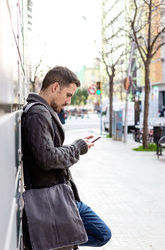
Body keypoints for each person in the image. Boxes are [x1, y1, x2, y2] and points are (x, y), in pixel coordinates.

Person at [21, 66, 111, 249]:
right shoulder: (38, 114)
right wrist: (77, 148)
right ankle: (64, 237)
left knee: (98, 235)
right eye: (68, 95)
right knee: (102, 234)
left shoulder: (42, 111)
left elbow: (47, 151)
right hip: (52, 200)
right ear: (55, 87)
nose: (69, 101)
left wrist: (77, 146)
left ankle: (64, 237)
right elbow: (47, 158)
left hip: (57, 197)